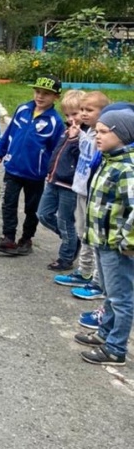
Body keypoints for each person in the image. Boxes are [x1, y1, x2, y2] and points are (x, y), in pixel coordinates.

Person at [73, 105, 134, 366]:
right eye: (96, 131)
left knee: (121, 298)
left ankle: (116, 348)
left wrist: (128, 242)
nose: (97, 136)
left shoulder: (126, 169)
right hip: (101, 241)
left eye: (104, 132)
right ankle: (105, 333)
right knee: (109, 293)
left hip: (117, 246)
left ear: (123, 136)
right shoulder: (110, 161)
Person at [0, 75, 65, 256]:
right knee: (9, 204)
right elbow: (8, 135)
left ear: (56, 97)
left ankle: (26, 239)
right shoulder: (23, 109)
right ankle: (8, 238)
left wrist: (51, 171)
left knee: (32, 208)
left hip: (35, 174)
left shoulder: (55, 122)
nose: (40, 96)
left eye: (46, 94)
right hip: (13, 168)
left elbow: (56, 151)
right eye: (37, 91)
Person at [58, 92, 111, 329]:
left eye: (89, 110)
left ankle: (97, 283)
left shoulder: (102, 137)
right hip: (79, 189)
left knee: (93, 239)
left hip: (91, 194)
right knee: (83, 233)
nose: (82, 114)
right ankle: (84, 271)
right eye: (82, 110)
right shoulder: (86, 132)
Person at [36, 90, 84, 270]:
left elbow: (81, 158)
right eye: (67, 114)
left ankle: (66, 257)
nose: (71, 118)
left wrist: (74, 140)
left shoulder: (84, 135)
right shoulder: (67, 130)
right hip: (54, 180)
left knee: (65, 220)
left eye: (75, 114)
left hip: (69, 185)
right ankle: (72, 240)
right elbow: (57, 154)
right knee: (43, 214)